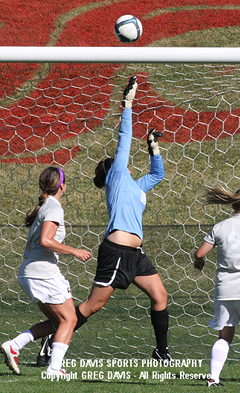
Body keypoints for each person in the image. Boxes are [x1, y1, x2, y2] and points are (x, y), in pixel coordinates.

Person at [37, 75, 171, 365]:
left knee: (160, 296)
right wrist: (128, 104)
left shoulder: (135, 186)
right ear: (111, 172)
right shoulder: (117, 177)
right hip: (117, 251)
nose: (123, 162)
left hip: (135, 254)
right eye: (119, 163)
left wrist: (154, 148)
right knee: (91, 306)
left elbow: (158, 175)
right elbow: (124, 140)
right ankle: (53, 339)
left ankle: (162, 352)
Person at [1, 166, 91, 376]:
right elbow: (46, 240)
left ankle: (15, 345)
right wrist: (75, 251)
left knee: (57, 322)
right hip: (43, 273)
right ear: (61, 185)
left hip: (29, 272)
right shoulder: (54, 207)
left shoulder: (44, 206)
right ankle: (54, 368)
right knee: (70, 320)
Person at [194, 186, 240, 387]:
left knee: (225, 335)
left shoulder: (220, 226)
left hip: (224, 291)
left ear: (233, 204)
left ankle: (213, 378)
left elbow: (200, 253)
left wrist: (198, 262)